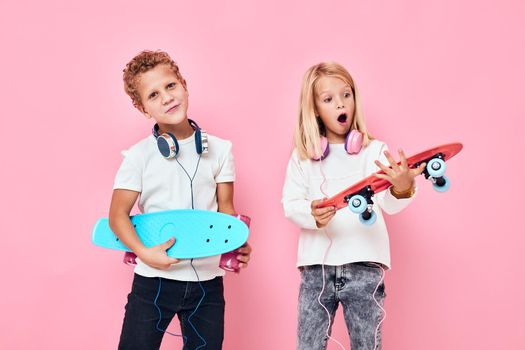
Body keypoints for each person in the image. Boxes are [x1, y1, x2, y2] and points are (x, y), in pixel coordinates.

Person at [109, 50, 251, 350]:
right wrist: (144, 253)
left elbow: (226, 212)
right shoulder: (138, 157)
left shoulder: (222, 151)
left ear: (184, 84)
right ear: (142, 107)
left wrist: (238, 243)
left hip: (207, 284)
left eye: (171, 86)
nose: (166, 98)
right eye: (153, 94)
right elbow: (117, 216)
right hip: (154, 280)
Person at [282, 62, 425, 350]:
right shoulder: (303, 157)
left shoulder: (374, 150)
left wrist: (401, 187)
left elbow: (390, 203)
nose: (340, 104)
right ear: (315, 110)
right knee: (307, 345)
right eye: (328, 99)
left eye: (346, 95)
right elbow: (290, 203)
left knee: (367, 345)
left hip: (365, 267)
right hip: (316, 270)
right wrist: (312, 214)